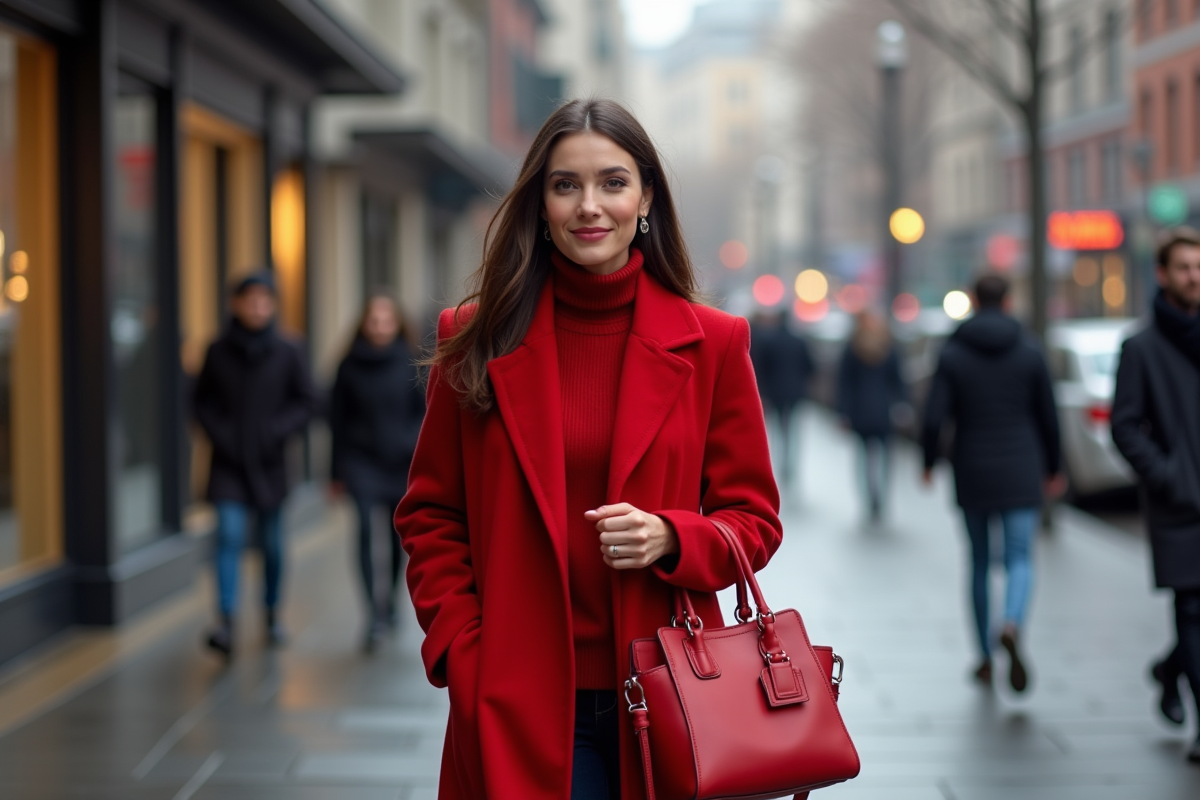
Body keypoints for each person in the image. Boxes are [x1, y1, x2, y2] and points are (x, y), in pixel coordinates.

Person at [393, 98, 782, 800]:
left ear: (646, 199)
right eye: (565, 185)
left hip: (673, 694)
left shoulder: (714, 342)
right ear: (539, 204)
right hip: (516, 696)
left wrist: (671, 535)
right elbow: (430, 515)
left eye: (612, 182)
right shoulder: (474, 336)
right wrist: (463, 649)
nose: (588, 206)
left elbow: (754, 522)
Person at [920, 274, 1062, 693]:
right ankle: (1013, 621)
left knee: (980, 562)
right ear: (1009, 299)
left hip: (973, 466)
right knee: (1019, 556)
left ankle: (983, 655)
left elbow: (933, 416)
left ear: (972, 300)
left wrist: (929, 461)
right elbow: (1048, 415)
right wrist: (1054, 467)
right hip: (1022, 464)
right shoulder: (1030, 349)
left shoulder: (954, 351)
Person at [193, 271, 317, 657]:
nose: (257, 307)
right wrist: (221, 433)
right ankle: (226, 621)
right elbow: (200, 402)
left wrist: (274, 431)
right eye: (250, 299)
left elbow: (307, 402)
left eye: (265, 300)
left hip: (271, 464)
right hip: (228, 462)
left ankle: (271, 612)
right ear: (236, 304)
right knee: (228, 536)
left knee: (272, 544)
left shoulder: (288, 350)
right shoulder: (217, 350)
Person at [1111, 227, 1200, 763]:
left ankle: (1169, 669)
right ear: (1163, 275)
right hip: (1179, 505)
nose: (1196, 277)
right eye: (1186, 267)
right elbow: (1125, 427)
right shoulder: (1140, 347)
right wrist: (1171, 477)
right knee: (1191, 608)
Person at [329, 294, 425, 652]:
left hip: (400, 463)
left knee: (396, 535)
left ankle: (393, 602)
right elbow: (336, 422)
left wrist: (409, 444)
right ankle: (372, 613)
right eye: (375, 321)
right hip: (360, 462)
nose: (381, 327)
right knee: (366, 530)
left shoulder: (413, 362)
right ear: (364, 324)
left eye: (387, 321)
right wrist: (335, 473)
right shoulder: (348, 366)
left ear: (397, 324)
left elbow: (425, 413)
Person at [836, 310, 906, 521]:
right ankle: (882, 497)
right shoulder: (889, 347)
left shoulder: (853, 347)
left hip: (860, 409)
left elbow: (844, 383)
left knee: (863, 457)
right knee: (886, 457)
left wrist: (844, 412)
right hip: (884, 410)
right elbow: (898, 381)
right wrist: (902, 405)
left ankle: (868, 498)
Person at [756, 309, 814, 489]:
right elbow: (810, 366)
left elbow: (761, 368)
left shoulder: (769, 341)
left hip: (775, 392)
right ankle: (790, 464)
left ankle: (778, 463)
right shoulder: (799, 341)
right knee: (792, 428)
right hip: (795, 392)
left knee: (777, 429)